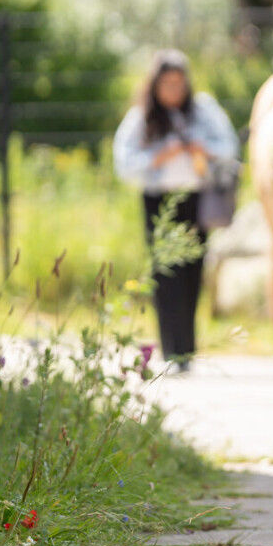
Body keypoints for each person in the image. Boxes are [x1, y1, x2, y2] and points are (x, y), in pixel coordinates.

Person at [113, 50, 240, 371]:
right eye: (166, 83)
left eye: (178, 83)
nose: (173, 90)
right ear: (155, 85)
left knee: (192, 274)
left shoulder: (203, 111)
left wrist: (204, 150)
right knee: (164, 275)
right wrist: (160, 156)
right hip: (158, 201)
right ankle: (171, 351)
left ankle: (186, 351)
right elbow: (125, 162)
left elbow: (229, 147)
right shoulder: (141, 117)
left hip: (196, 200)